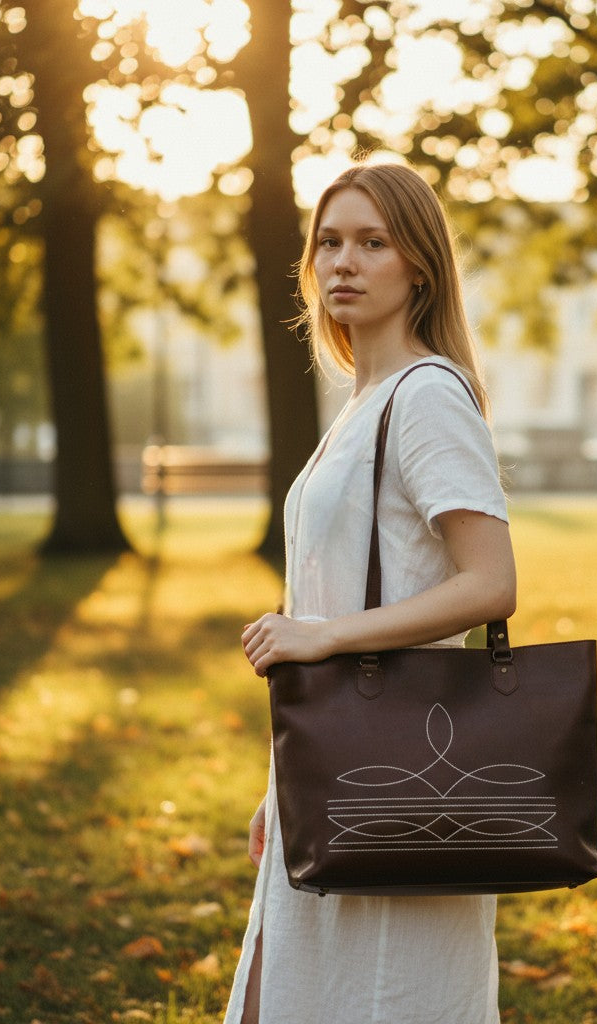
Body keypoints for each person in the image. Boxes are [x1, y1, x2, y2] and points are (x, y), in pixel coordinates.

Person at [223, 161, 517, 1024]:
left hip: (405, 775)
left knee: (385, 996)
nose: (343, 262)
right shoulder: (364, 405)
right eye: (329, 243)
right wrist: (285, 778)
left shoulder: (426, 398)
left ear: (418, 264)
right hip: (337, 763)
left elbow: (491, 582)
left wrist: (322, 635)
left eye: (372, 242)